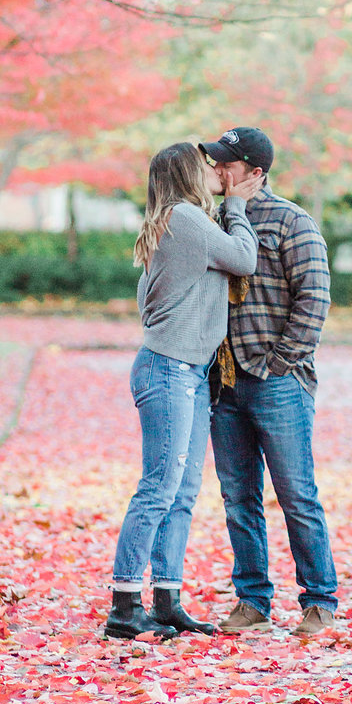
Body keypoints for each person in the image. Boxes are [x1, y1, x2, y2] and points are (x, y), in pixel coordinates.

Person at [105, 142, 263, 641]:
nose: (217, 171)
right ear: (188, 176)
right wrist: (237, 207)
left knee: (181, 493)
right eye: (207, 167)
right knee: (158, 489)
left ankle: (166, 599)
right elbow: (244, 259)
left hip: (187, 371)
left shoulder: (178, 222)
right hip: (169, 369)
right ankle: (124, 606)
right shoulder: (188, 221)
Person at [198, 125, 339, 639]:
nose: (216, 170)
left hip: (277, 381)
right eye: (214, 161)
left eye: (226, 164)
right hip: (223, 384)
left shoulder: (291, 222)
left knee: (296, 494)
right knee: (238, 498)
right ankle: (252, 601)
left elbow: (315, 298)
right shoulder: (211, 223)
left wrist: (280, 362)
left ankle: (319, 601)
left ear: (255, 173)